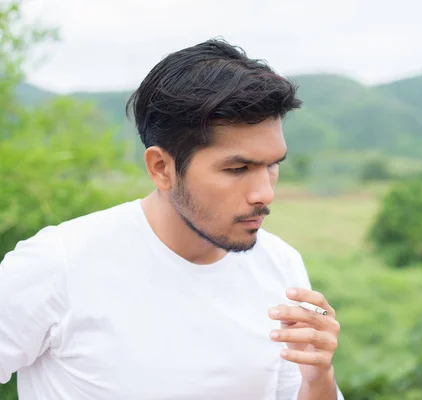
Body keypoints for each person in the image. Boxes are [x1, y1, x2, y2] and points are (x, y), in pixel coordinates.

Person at [0, 38, 344, 399]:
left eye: (272, 165)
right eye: (238, 168)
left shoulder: (282, 266)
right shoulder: (58, 264)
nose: (265, 193)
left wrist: (318, 377)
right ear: (161, 168)